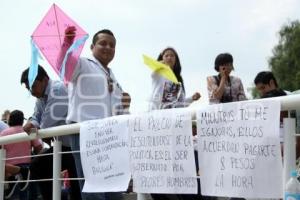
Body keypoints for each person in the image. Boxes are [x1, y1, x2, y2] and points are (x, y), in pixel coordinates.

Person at [66, 29, 130, 200]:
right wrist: (68, 46)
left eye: (112, 45)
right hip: (84, 132)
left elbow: (118, 110)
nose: (108, 47)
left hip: (110, 135)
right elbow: (66, 70)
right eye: (103, 43)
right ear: (92, 46)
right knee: (93, 188)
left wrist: (125, 104)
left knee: (114, 188)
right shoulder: (82, 63)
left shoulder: (112, 75)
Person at [20, 65, 81, 200]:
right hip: (64, 146)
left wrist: (36, 125)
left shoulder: (58, 90)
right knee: (37, 166)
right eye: (29, 88)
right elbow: (37, 117)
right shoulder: (40, 97)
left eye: (33, 86)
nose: (31, 91)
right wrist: (31, 122)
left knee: (78, 187)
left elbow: (46, 123)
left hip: (76, 146)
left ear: (45, 80)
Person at [149, 47, 200, 200]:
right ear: (161, 57)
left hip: (174, 125)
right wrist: (160, 64)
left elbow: (179, 104)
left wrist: (192, 98)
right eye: (166, 55)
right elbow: (153, 72)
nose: (170, 57)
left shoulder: (178, 80)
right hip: (158, 123)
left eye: (173, 56)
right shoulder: (158, 73)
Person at [1, 110, 42, 199]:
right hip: (27, 166)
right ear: (22, 121)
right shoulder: (28, 132)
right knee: (30, 194)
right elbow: (39, 148)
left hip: (9, 169)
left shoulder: (3, 133)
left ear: (10, 120)